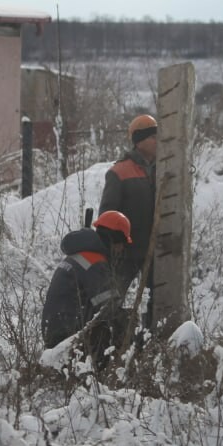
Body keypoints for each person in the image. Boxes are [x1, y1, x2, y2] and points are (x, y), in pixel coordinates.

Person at [41, 211, 133, 360]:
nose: (121, 250)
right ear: (114, 239)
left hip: (54, 332)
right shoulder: (94, 262)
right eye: (121, 244)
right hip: (67, 337)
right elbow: (109, 308)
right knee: (118, 326)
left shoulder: (81, 254)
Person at [99, 114, 157, 283]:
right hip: (126, 251)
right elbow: (108, 213)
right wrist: (116, 240)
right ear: (139, 142)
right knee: (112, 298)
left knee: (160, 302)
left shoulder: (162, 170)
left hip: (155, 249)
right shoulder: (119, 172)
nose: (157, 141)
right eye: (152, 137)